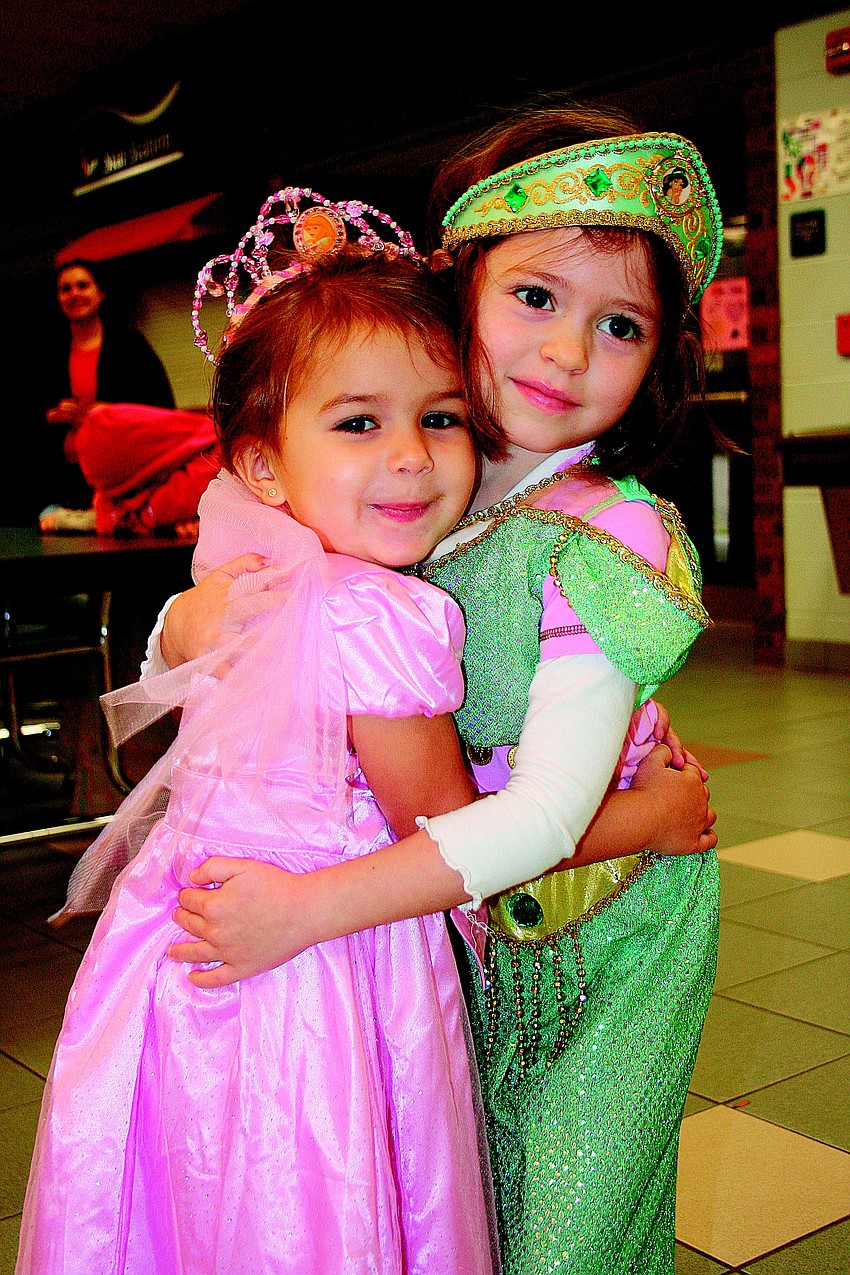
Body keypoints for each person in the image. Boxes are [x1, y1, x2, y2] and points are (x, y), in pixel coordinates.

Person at [161, 107, 723, 1275]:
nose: (566, 354)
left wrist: (306, 912)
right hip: (449, 914)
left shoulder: (606, 536)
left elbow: (550, 811)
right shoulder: (419, 478)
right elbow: (229, 607)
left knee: (578, 1225)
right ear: (452, 290)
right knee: (472, 1207)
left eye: (618, 324)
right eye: (533, 298)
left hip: (609, 931)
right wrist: (188, 622)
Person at [15, 196, 501, 1275]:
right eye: (359, 422)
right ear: (263, 464)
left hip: (172, 957)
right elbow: (451, 834)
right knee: (320, 1200)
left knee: (192, 1202)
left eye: (442, 416)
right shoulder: (383, 616)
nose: (414, 459)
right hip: (325, 973)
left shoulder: (236, 582)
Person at [39, 258, 175, 528]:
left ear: (100, 294)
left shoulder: (130, 346)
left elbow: (161, 408)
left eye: (82, 285)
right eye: (65, 289)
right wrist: (52, 416)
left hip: (124, 478)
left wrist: (109, 412)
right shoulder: (48, 353)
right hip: (69, 481)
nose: (74, 294)